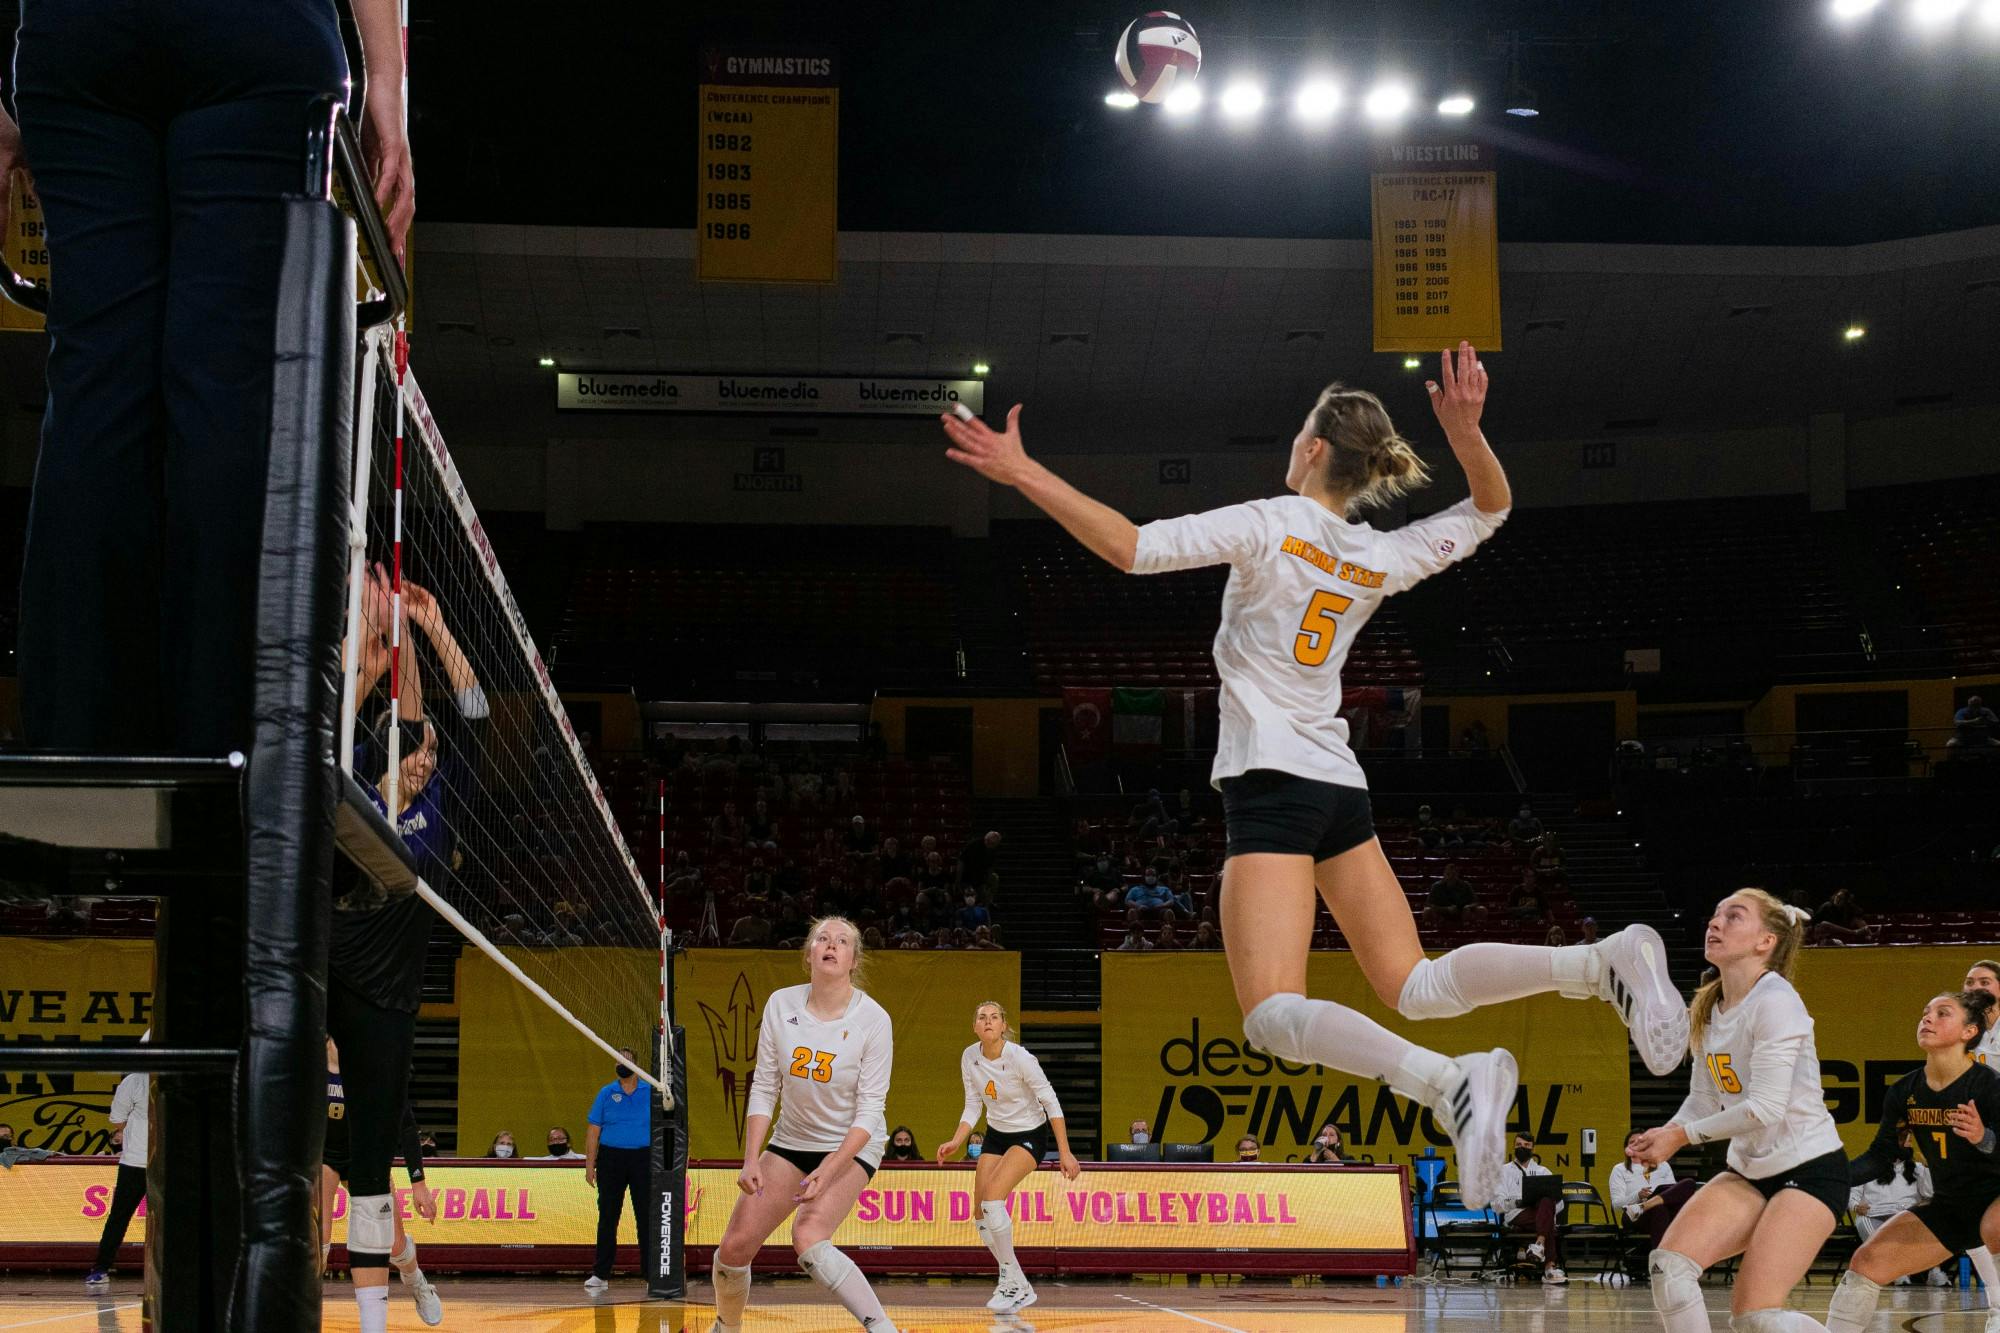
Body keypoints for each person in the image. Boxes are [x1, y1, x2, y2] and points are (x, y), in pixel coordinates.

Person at [940, 346, 1686, 1209]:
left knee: (1271, 1015)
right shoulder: (1377, 555)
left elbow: (1133, 548)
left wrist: (1024, 472)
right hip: (1339, 782)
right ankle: (1600, 962)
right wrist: (1468, 434)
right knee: (1415, 982)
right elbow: (1491, 507)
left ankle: (1450, 1081)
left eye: (1299, 433)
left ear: (1312, 449)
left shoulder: (1271, 520)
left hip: (1272, 780)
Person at [2, 0, 410, 754]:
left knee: (94, 392)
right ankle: (223, 758)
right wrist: (387, 78)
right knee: (228, 403)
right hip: (253, 34)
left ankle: (75, 751)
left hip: (80, 36)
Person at [329, 574, 479, 1333]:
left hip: (389, 975)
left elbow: (450, 708)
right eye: (410, 756)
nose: (422, 761)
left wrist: (421, 629)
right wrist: (369, 642)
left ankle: (391, 1294)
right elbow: (340, 717)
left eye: (427, 758)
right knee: (311, 1176)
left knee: (370, 1171)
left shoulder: (434, 801)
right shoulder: (355, 782)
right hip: (329, 950)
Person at [1628, 889, 1847, 1333]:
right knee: (1669, 1270)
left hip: (1810, 1169)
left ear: (1765, 941)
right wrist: (1666, 1132)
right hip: (1749, 1170)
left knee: (1756, 1319)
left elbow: (1765, 1108)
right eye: (1714, 915)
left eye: (1733, 916)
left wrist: (1682, 1137)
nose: (1715, 923)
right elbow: (1705, 1099)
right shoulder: (1710, 1005)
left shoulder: (1775, 1000)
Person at [710, 918, 899, 1333]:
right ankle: (727, 1326)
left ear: (853, 959)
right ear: (809, 953)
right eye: (822, 939)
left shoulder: (873, 1020)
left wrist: (829, 1169)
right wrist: (751, 1160)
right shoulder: (781, 1004)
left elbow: (869, 1112)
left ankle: (883, 1328)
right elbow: (764, 1086)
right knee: (732, 1250)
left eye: (842, 941)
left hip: (851, 1144)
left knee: (809, 1235)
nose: (831, 945)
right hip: (792, 1139)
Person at [1816, 990, 2000, 1333]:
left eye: (1943, 1013)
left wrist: (1983, 1138)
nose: (1927, 1018)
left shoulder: (1989, 1085)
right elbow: (1881, 1157)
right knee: (1865, 1263)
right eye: (1925, 1012)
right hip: (1951, 1207)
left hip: (1995, 1200)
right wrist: (1832, 1175)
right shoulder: (1905, 1091)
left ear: (1969, 1032)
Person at [936, 1000, 1082, 1314]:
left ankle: (1011, 1281)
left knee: (992, 1201)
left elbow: (1051, 1103)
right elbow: (973, 1104)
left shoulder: (1021, 1058)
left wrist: (1066, 1152)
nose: (988, 1021)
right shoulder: (969, 1056)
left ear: (1004, 1026)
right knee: (979, 1214)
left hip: (1030, 1134)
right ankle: (1017, 1281)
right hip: (996, 1134)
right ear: (975, 1027)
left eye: (994, 1017)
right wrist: (957, 1140)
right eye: (981, 1018)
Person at [318, 1038, 441, 1325]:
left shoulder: (371, 1068)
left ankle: (417, 1283)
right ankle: (303, 1309)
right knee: (318, 1242)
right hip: (324, 1156)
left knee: (395, 1245)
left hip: (366, 1156)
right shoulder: (310, 1063)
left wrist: (418, 1184)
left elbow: (406, 1125)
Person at [583, 1047, 654, 1294]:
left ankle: (651, 1275)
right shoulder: (606, 1093)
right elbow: (594, 1130)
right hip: (611, 1158)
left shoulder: (651, 1091)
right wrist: (590, 1164)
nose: (620, 1064)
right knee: (608, 1216)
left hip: (643, 1158)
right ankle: (601, 1274)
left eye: (625, 1060)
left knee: (645, 1217)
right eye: (617, 1060)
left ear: (636, 1065)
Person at [84, 1044, 149, 1291]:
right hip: (159, 1160)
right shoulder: (180, 1075)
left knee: (119, 1217)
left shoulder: (133, 1081)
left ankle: (100, 1269)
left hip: (135, 1160)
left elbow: (117, 1121)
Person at [1846, 1132, 1935, 1280]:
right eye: (1904, 1141)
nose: (1909, 1145)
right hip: (1874, 1214)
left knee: (1934, 1223)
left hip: (1906, 1216)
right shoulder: (1868, 1168)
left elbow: (1929, 1193)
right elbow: (1851, 1193)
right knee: (1864, 1223)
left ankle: (1934, 1271)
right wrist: (1856, 1206)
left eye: (1910, 1141)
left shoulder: (1918, 1168)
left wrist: (1928, 1167)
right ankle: (1898, 1273)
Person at [1609, 1129, 1698, 1259]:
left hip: (1662, 1211)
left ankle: (1661, 1261)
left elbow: (1673, 1194)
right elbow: (1616, 1205)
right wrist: (1637, 1196)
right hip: (1634, 1215)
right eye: (1631, 1143)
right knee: (1660, 1209)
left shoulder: (1663, 1166)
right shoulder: (1619, 1170)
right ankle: (1663, 1261)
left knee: (1688, 1183)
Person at [1494, 1134, 1567, 1284]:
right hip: (1516, 1215)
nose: (1522, 1148)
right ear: (1513, 1147)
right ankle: (1549, 1269)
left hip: (1539, 1217)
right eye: (1519, 1145)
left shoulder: (1544, 1172)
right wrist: (1518, 1201)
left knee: (1546, 1201)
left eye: (1526, 1145)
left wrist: (1546, 1211)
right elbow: (1496, 1205)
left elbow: (1560, 1204)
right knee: (1548, 1224)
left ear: (1533, 1148)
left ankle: (1539, 1245)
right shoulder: (1502, 1171)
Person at [1421, 863, 1481, 929]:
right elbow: (1428, 904)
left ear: (1457, 875)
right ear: (1444, 874)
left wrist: (1467, 907)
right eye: (1448, 874)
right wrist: (1445, 909)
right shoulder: (1436, 886)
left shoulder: (1466, 885)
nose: (1451, 877)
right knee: (1427, 911)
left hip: (1461, 912)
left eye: (1453, 874)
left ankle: (1473, 931)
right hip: (1442, 913)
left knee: (1482, 910)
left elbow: (1476, 902)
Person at [1810, 888, 1878, 946]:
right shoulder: (1826, 906)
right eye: (1837, 897)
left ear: (1845, 901)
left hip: (1840, 930)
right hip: (1825, 932)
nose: (1838, 900)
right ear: (1835, 896)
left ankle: (1870, 936)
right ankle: (1854, 932)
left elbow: (1860, 912)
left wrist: (1850, 903)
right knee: (1824, 923)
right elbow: (1815, 921)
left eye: (1841, 899)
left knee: (1856, 919)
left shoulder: (1847, 907)